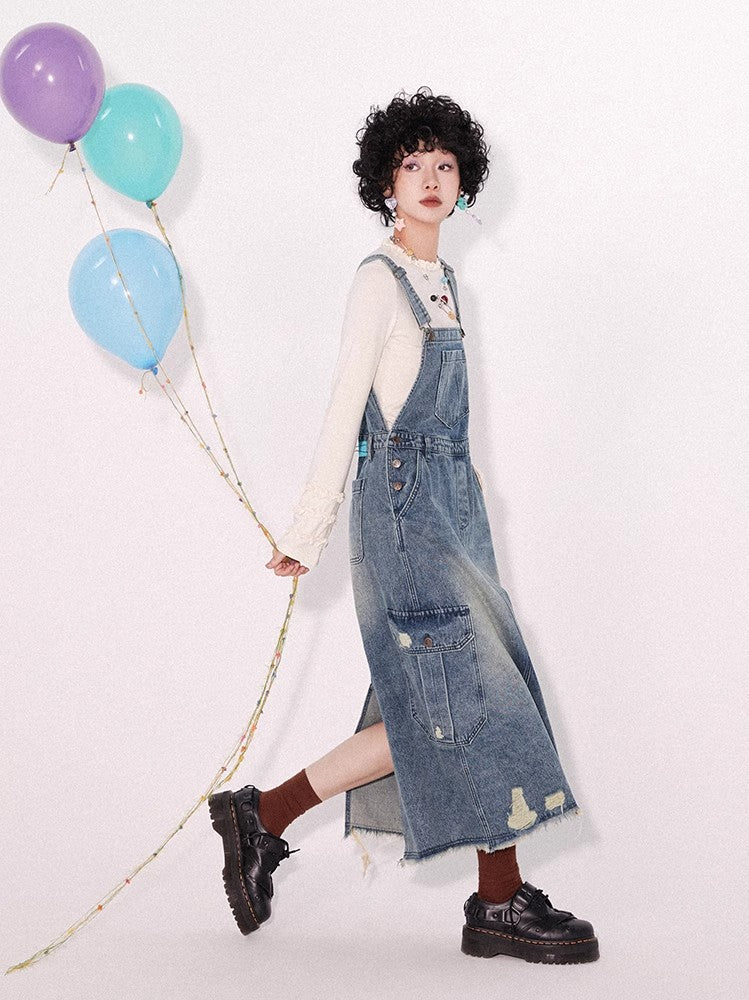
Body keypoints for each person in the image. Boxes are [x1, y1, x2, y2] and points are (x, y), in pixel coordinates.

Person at [208, 87, 599, 964]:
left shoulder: (447, 285)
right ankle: (495, 903)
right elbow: (345, 409)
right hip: (404, 522)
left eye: (445, 165)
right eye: (412, 164)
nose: (429, 178)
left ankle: (262, 816)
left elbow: (449, 425)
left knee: (441, 710)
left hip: (454, 520)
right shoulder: (377, 281)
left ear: (463, 184)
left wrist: (476, 506)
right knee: (479, 700)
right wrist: (305, 534)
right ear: (386, 185)